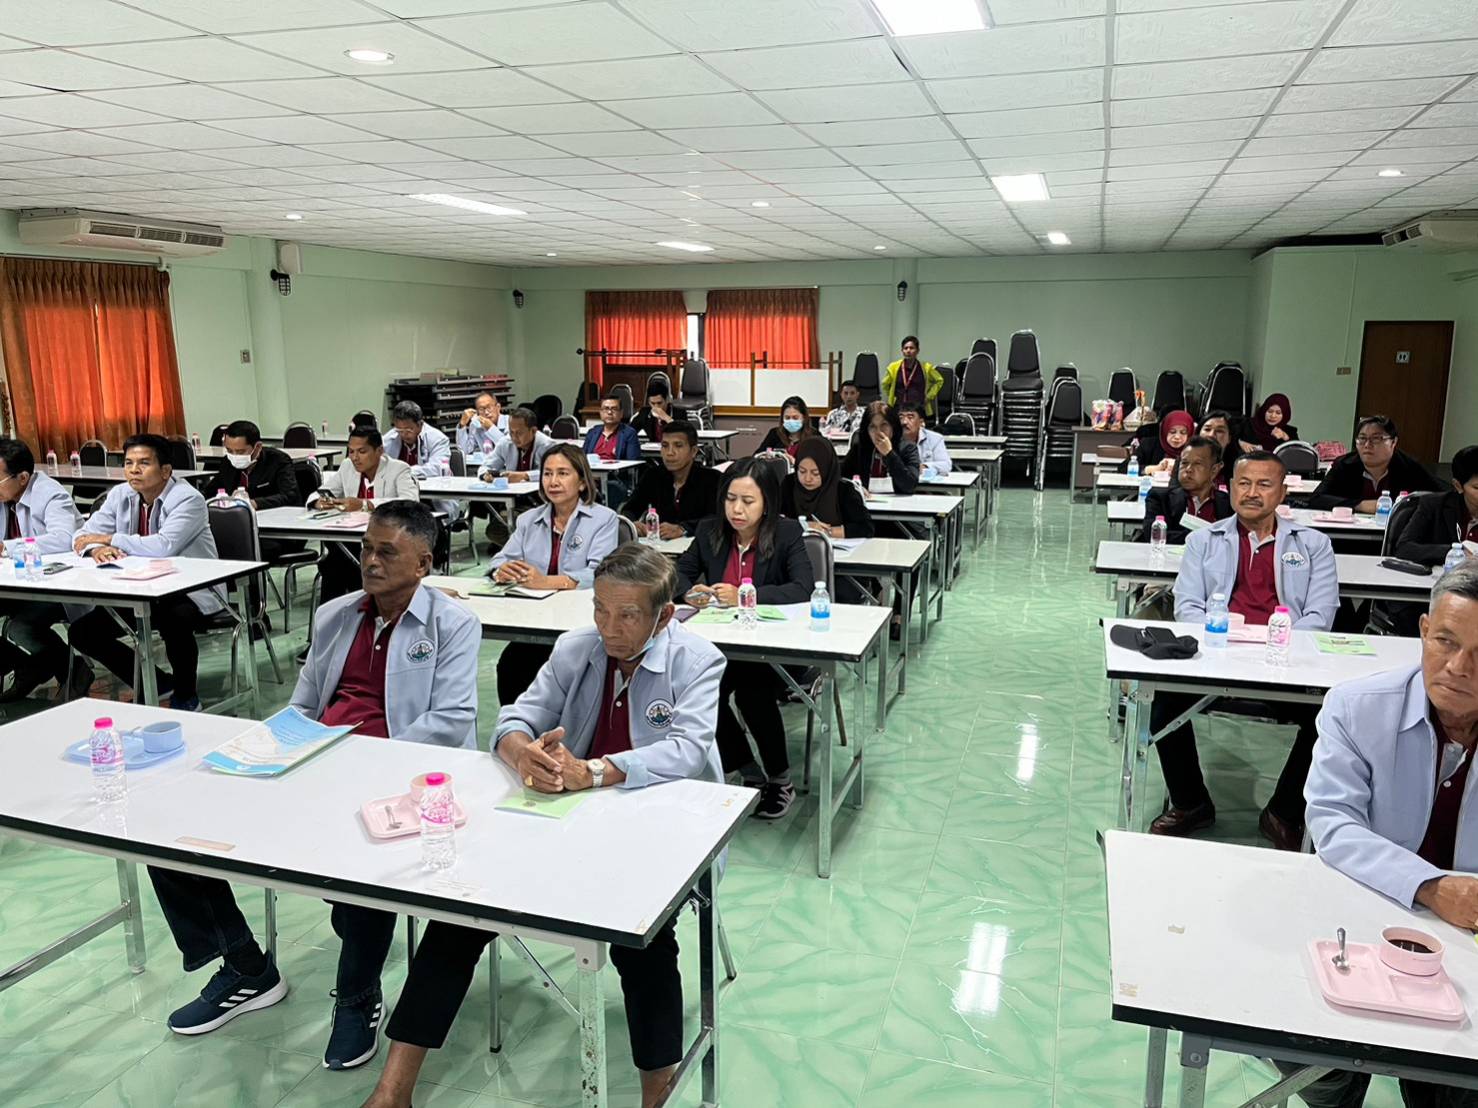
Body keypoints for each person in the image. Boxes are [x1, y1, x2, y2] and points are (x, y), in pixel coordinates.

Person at [361, 543, 726, 1108]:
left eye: (628, 615)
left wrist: (596, 771)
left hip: (659, 832)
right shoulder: (577, 648)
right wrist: (519, 750)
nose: (609, 627)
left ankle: (657, 1093)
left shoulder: (698, 660)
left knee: (643, 942)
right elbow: (517, 715)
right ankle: (392, 1092)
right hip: (566, 824)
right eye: (600, 609)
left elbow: (687, 749)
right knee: (462, 913)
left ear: (664, 616)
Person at [146, 501, 478, 1072]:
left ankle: (356, 997)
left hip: (396, 778)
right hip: (317, 761)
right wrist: (269, 747)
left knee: (367, 870)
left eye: (386, 552)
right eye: (367, 548)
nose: (369, 562)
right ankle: (245, 965)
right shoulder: (336, 615)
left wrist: (358, 759)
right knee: (169, 832)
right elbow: (303, 704)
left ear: (423, 563)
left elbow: (450, 721)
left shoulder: (453, 624)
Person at [1298, 562, 1478, 1108]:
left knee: (1454, 1080)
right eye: (1446, 642)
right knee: (1322, 1068)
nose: (1459, 668)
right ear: (1423, 630)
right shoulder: (1357, 708)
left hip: (1470, 937)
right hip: (1361, 915)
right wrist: (1431, 887)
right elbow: (1333, 822)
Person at [1149, 451, 1338, 848]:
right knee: (1165, 701)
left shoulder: (1314, 544)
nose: (1252, 493)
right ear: (1231, 488)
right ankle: (1191, 803)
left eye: (1264, 484)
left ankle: (1283, 812)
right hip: (1217, 655)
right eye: (1244, 484)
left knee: (1330, 716)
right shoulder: (1204, 540)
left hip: (1285, 662)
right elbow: (1188, 606)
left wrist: (1275, 647)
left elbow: (1320, 615)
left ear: (1282, 492)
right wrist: (1223, 644)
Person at [675, 458, 812, 819]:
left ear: (767, 503)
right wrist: (691, 592)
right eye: (730, 499)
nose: (737, 509)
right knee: (699, 688)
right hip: (721, 643)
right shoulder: (709, 530)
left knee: (753, 690)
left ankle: (780, 779)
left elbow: (802, 588)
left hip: (775, 646)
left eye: (748, 501)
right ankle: (747, 768)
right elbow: (678, 574)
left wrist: (744, 595)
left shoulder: (786, 533)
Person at [68, 434, 224, 712]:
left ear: (165, 470)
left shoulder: (189, 499)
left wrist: (110, 539)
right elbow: (82, 535)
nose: (134, 470)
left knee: (174, 619)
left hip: (190, 588)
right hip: (138, 588)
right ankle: (158, 682)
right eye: (128, 463)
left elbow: (164, 546)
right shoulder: (120, 494)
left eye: (143, 463)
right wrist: (96, 548)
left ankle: (187, 695)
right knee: (83, 632)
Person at [488, 444, 619, 704]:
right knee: (511, 666)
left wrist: (547, 582)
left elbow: (601, 573)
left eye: (563, 473)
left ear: (582, 482)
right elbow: (500, 559)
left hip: (581, 622)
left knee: (566, 672)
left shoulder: (604, 519)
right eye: (547, 474)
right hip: (535, 619)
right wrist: (500, 570)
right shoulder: (528, 519)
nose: (553, 482)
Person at [0, 438, 85, 702]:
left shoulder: (50, 494)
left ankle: (71, 671)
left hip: (59, 584)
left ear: (22, 478)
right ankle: (30, 665)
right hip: (14, 582)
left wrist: (7, 547)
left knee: (21, 627)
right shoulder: (4, 495)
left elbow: (64, 539)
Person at [309, 427, 420, 605]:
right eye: (351, 451)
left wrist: (365, 504)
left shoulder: (398, 469)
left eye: (362, 451)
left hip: (385, 540)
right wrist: (319, 502)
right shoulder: (347, 466)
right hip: (351, 538)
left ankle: (363, 607)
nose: (355, 457)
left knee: (339, 564)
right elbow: (322, 492)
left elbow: (410, 501)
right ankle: (332, 615)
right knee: (334, 564)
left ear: (379, 451)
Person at [781, 437, 874, 605]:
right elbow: (776, 520)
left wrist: (827, 532)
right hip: (796, 562)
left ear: (827, 469)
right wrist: (806, 527)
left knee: (842, 594)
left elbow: (865, 527)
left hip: (841, 568)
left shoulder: (843, 490)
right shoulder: (788, 485)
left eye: (815, 473)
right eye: (802, 471)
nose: (807, 478)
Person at [209, 420, 304, 561]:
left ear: (257, 447)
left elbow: (289, 495)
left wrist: (255, 503)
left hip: (276, 532)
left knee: (244, 547)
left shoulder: (278, 461)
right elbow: (210, 491)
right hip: (240, 527)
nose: (234, 456)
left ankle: (251, 576)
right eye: (229, 451)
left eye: (240, 452)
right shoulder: (227, 463)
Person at [1309, 415, 1441, 512]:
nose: (1367, 445)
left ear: (1393, 442)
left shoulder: (1409, 467)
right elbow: (1316, 499)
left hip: (1397, 532)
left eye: (1376, 439)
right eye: (1362, 438)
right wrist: (1360, 505)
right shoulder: (1345, 465)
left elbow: (1440, 497)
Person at [620, 421, 719, 539]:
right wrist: (632, 524)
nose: (670, 453)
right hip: (660, 545)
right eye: (665, 446)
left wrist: (683, 528)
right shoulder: (653, 475)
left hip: (698, 543)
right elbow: (630, 509)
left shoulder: (712, 479)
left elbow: (717, 518)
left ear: (693, 451)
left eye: (678, 445)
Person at [1136, 436, 1231, 545]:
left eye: (1197, 464)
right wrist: (1208, 536)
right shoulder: (1160, 498)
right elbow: (1155, 535)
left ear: (1214, 470)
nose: (1188, 469)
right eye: (1184, 463)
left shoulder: (1228, 504)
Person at [1396, 445, 1478, 566]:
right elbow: (1404, 548)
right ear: (1458, 486)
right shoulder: (1433, 505)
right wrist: (1454, 552)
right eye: (1477, 487)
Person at [841, 400, 921, 495]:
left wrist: (889, 454)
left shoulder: (908, 448)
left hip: (898, 502)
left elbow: (910, 485)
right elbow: (840, 478)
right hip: (866, 501)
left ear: (893, 426)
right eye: (872, 427)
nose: (878, 432)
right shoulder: (859, 447)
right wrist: (855, 489)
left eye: (884, 425)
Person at [478, 406, 552, 483]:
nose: (514, 437)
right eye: (511, 432)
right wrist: (486, 475)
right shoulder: (505, 442)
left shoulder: (548, 445)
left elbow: (552, 472)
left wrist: (525, 476)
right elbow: (486, 467)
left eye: (519, 433)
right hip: (512, 489)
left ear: (533, 431)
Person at [882, 336, 943, 418]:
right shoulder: (893, 367)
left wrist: (929, 397)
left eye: (911, 348)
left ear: (917, 350)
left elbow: (939, 380)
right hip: (898, 407)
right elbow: (885, 384)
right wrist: (892, 396)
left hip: (918, 407)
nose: (908, 351)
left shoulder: (926, 367)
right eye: (905, 348)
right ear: (902, 351)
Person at [899, 401, 952, 475]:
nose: (904, 422)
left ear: (921, 422)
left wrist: (924, 467)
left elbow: (946, 465)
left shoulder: (935, 439)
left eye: (910, 417)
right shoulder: (892, 438)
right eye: (901, 417)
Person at [1135, 409, 1194, 474]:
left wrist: (1178, 467)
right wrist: (1153, 469)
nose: (1177, 437)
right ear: (1165, 431)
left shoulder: (1195, 449)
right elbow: (1127, 467)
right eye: (1172, 432)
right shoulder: (1148, 445)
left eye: (1183, 433)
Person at [583, 396, 641, 462]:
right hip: (593, 468)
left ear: (621, 413)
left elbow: (633, 462)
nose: (609, 412)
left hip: (617, 468)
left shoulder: (629, 434)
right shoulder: (592, 432)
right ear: (600, 412)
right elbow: (582, 459)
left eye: (614, 409)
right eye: (606, 408)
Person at [455, 391, 507, 458]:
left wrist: (490, 428)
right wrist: (462, 425)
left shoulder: (509, 422)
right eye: (481, 409)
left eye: (489, 407)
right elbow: (465, 451)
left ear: (498, 407)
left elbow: (508, 448)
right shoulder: (475, 425)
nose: (486, 412)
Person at [631, 379, 684, 443]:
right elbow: (629, 431)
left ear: (667, 400)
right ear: (649, 402)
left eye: (659, 403)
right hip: (653, 447)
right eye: (652, 403)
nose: (656, 407)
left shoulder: (679, 413)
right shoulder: (645, 413)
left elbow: (684, 435)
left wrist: (667, 418)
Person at [1197, 410, 1242, 479]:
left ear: (1229, 438)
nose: (1211, 435)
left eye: (1219, 431)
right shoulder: (1185, 458)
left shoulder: (1239, 466)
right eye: (1207, 429)